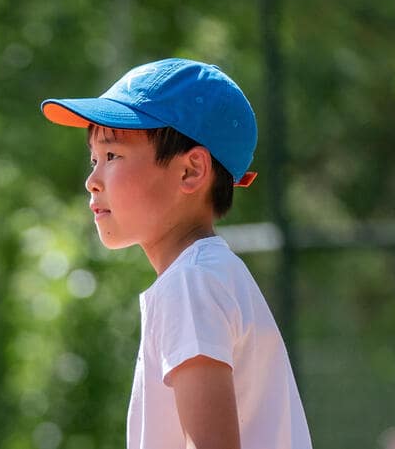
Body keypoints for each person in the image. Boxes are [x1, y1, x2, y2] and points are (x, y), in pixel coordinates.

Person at [39, 58, 312, 449]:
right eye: (94, 159)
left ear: (191, 171)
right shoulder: (209, 273)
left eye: (113, 155)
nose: (92, 180)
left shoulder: (191, 283)